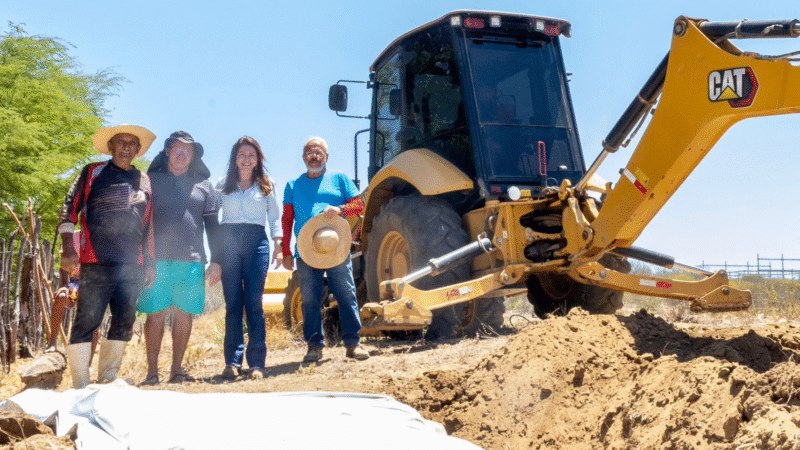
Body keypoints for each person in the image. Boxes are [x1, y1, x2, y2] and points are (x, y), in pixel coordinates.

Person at [58, 124, 156, 389]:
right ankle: (80, 384)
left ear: (137, 150)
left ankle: (108, 379)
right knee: (87, 320)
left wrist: (149, 262)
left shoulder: (145, 181)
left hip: (132, 265)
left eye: (131, 143)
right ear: (111, 147)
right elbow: (69, 209)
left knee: (125, 320)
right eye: (120, 142)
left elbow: (148, 226)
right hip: (95, 260)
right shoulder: (92, 173)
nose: (126, 147)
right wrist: (68, 249)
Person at [136, 131, 221, 385]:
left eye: (188, 150)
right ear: (167, 152)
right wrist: (142, 258)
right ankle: (152, 373)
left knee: (184, 314)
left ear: (193, 156)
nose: (182, 154)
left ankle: (177, 371)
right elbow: (139, 221)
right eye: (177, 148)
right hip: (156, 260)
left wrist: (217, 260)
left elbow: (214, 226)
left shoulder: (204, 186)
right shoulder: (150, 181)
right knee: (155, 314)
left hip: (192, 260)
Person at [282, 136, 369, 362]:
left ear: (326, 157)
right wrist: (285, 251)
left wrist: (340, 209)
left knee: (346, 294)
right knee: (310, 299)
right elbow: (287, 219)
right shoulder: (292, 186)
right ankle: (314, 347)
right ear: (303, 158)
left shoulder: (340, 179)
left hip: (336, 247)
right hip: (305, 252)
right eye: (310, 152)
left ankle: (353, 344)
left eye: (319, 152)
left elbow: (358, 206)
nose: (314, 156)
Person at [216, 136, 282, 380]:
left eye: (251, 155)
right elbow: (213, 218)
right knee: (233, 303)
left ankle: (257, 363)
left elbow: (274, 218)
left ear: (257, 160)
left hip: (257, 244)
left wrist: (278, 245)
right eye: (242, 155)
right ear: (235, 159)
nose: (246, 159)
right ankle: (232, 363)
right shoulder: (222, 185)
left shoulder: (267, 184)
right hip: (229, 242)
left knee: (254, 303)